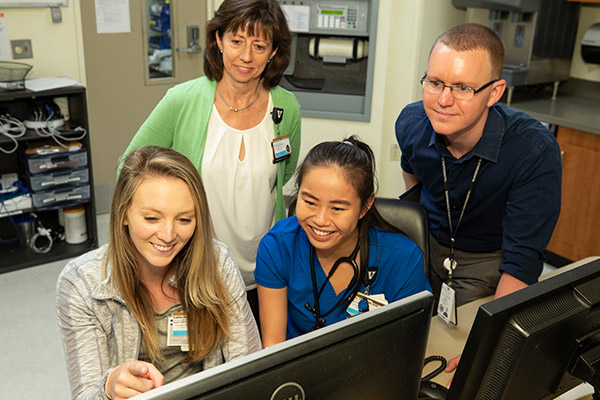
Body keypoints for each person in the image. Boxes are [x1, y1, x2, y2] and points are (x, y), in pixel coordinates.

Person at [121, 0, 301, 323]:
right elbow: (128, 169)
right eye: (236, 41)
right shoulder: (182, 100)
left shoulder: (287, 108)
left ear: (274, 51)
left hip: (265, 271)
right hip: (195, 270)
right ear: (218, 40)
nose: (246, 56)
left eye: (260, 45)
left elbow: (283, 175)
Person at [56, 146, 260, 400]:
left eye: (184, 220)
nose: (167, 235)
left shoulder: (218, 263)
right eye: (152, 218)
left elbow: (251, 368)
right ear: (124, 214)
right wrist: (108, 388)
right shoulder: (82, 284)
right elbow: (85, 396)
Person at [395, 23, 561, 308]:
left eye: (462, 88)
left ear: (495, 93)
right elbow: (412, 172)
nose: (443, 101)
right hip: (424, 245)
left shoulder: (534, 150)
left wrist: (485, 343)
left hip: (485, 261)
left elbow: (521, 264)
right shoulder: (411, 123)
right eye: (435, 82)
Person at [254, 136, 431, 347]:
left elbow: (408, 346)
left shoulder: (403, 259)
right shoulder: (278, 246)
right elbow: (273, 346)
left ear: (366, 206)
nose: (320, 220)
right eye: (309, 202)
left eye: (337, 208)